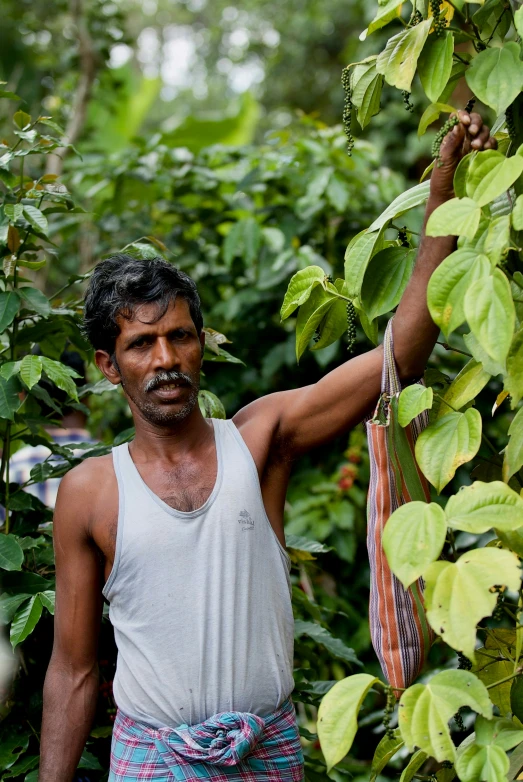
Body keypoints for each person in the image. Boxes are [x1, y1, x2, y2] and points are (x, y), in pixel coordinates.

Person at [39, 111, 496, 782]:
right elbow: (75, 669)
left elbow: (404, 348)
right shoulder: (90, 493)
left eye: (180, 336)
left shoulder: (260, 439)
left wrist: (445, 187)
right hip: (152, 760)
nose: (165, 358)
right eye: (141, 344)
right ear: (110, 366)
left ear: (200, 343)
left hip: (268, 750)